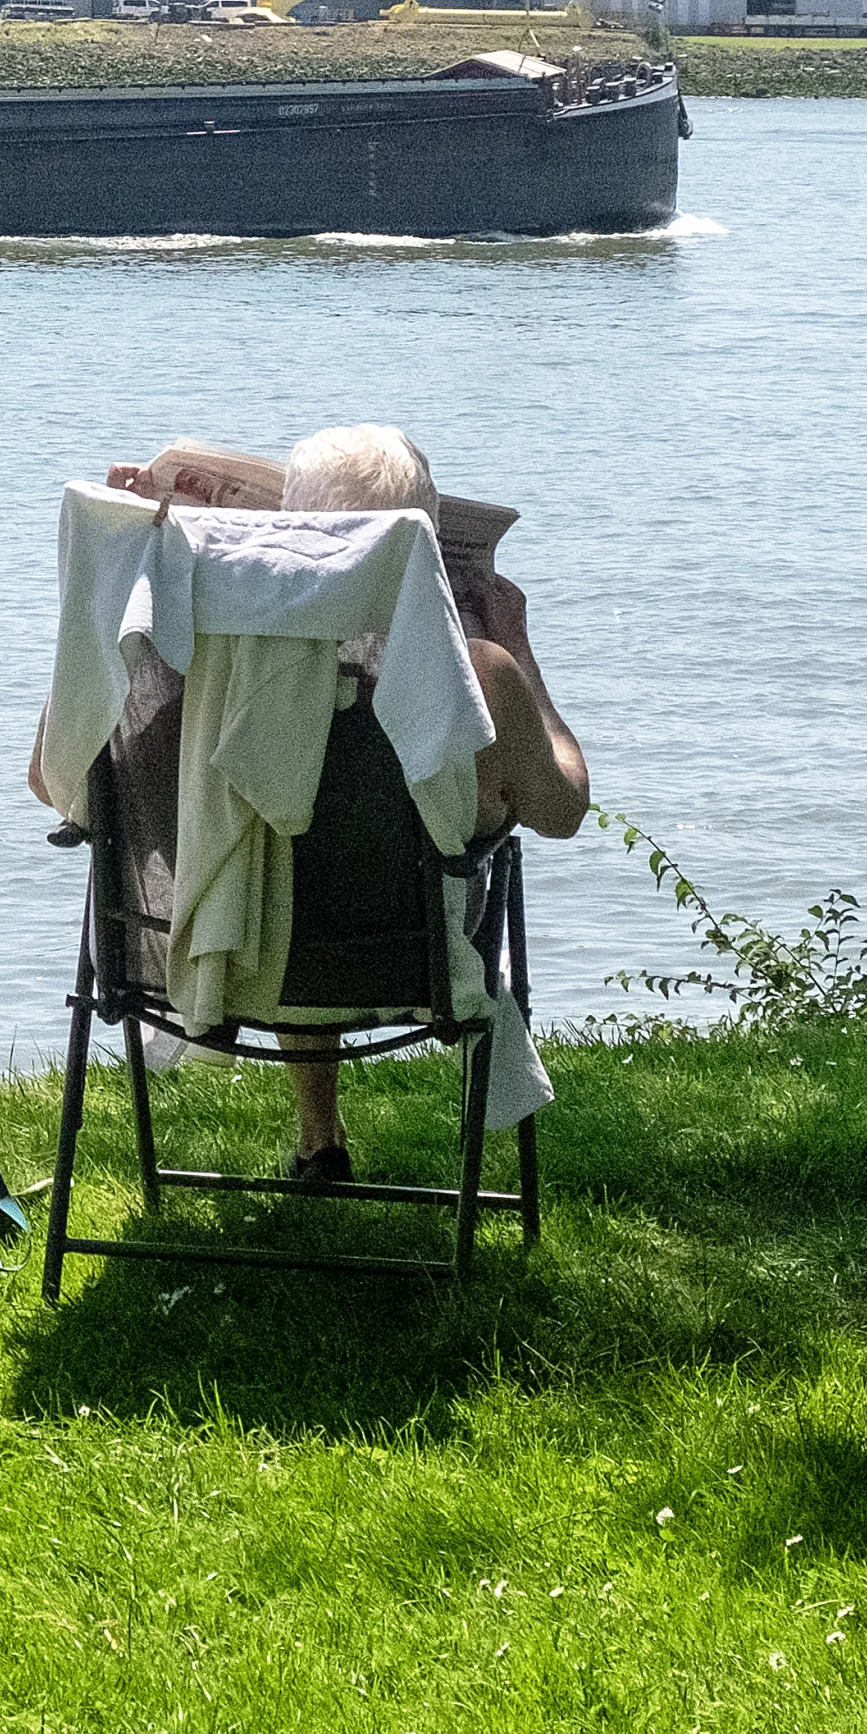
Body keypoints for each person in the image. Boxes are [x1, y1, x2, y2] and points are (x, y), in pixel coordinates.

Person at [269, 424, 587, 1182]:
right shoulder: (481, 676)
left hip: (243, 951)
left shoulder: (224, 684)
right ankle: (322, 1136)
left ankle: (321, 1137)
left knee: (295, 855)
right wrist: (520, 653)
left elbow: (54, 784)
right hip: (419, 961)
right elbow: (564, 808)